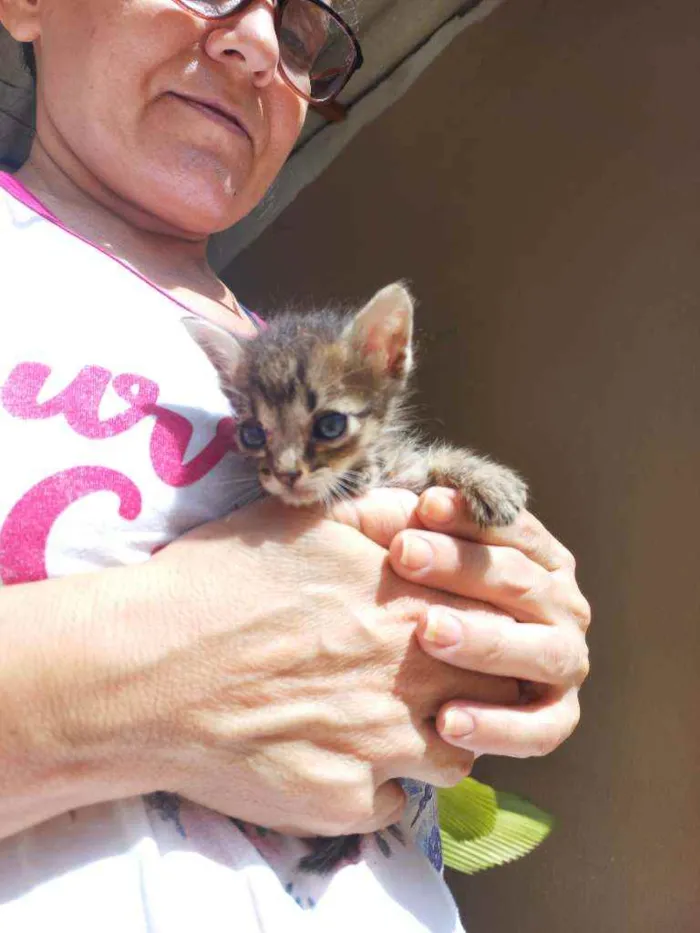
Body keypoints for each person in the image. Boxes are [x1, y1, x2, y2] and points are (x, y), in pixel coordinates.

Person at [0, 0, 590, 930]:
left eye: (306, 25)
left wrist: (507, 633)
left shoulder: (265, 356)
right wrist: (158, 667)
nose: (260, 43)